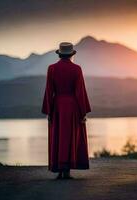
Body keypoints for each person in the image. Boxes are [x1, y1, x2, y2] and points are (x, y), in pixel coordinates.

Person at [42, 42, 91, 179]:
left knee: (58, 136)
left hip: (57, 106)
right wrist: (83, 112)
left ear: (60, 54)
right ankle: (67, 171)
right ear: (71, 54)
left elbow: (49, 91)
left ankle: (59, 170)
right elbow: (80, 92)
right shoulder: (77, 69)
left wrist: (49, 111)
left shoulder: (51, 69)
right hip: (72, 107)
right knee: (70, 137)